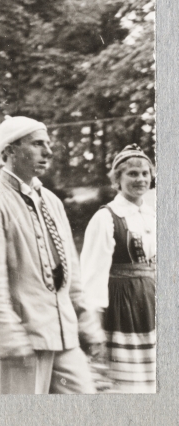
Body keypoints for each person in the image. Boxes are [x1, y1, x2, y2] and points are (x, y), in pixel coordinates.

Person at [0, 116, 105, 394]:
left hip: (63, 336)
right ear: (9, 152)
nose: (48, 151)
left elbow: (71, 272)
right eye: (38, 144)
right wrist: (8, 338)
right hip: (19, 342)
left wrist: (86, 325)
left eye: (48, 144)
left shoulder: (51, 200)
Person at [81, 144, 156, 393]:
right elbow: (92, 276)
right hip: (122, 308)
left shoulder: (153, 215)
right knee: (125, 386)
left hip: (151, 304)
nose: (141, 179)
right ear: (117, 180)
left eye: (145, 173)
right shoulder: (106, 218)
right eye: (132, 174)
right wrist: (92, 324)